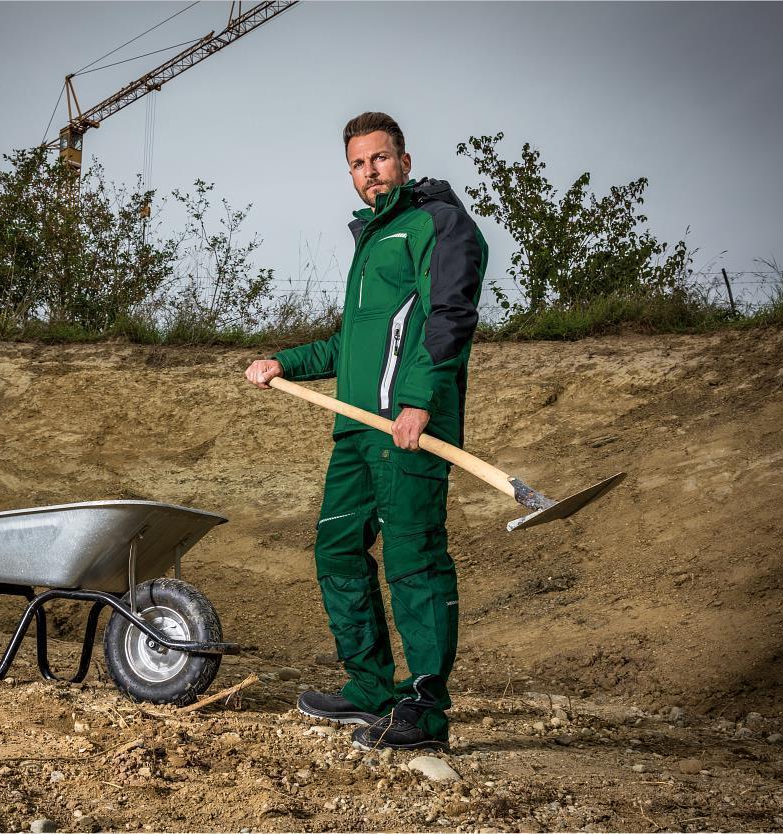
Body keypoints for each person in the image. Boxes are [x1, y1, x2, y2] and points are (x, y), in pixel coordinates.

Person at [244, 112, 489, 751]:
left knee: (415, 561)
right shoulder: (370, 238)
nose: (369, 173)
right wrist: (285, 363)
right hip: (355, 432)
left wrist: (416, 403)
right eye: (357, 164)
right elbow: (354, 344)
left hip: (408, 426)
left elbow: (447, 318)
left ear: (404, 162)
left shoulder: (438, 223)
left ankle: (426, 712)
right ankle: (370, 689)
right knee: (337, 550)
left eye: (379, 159)